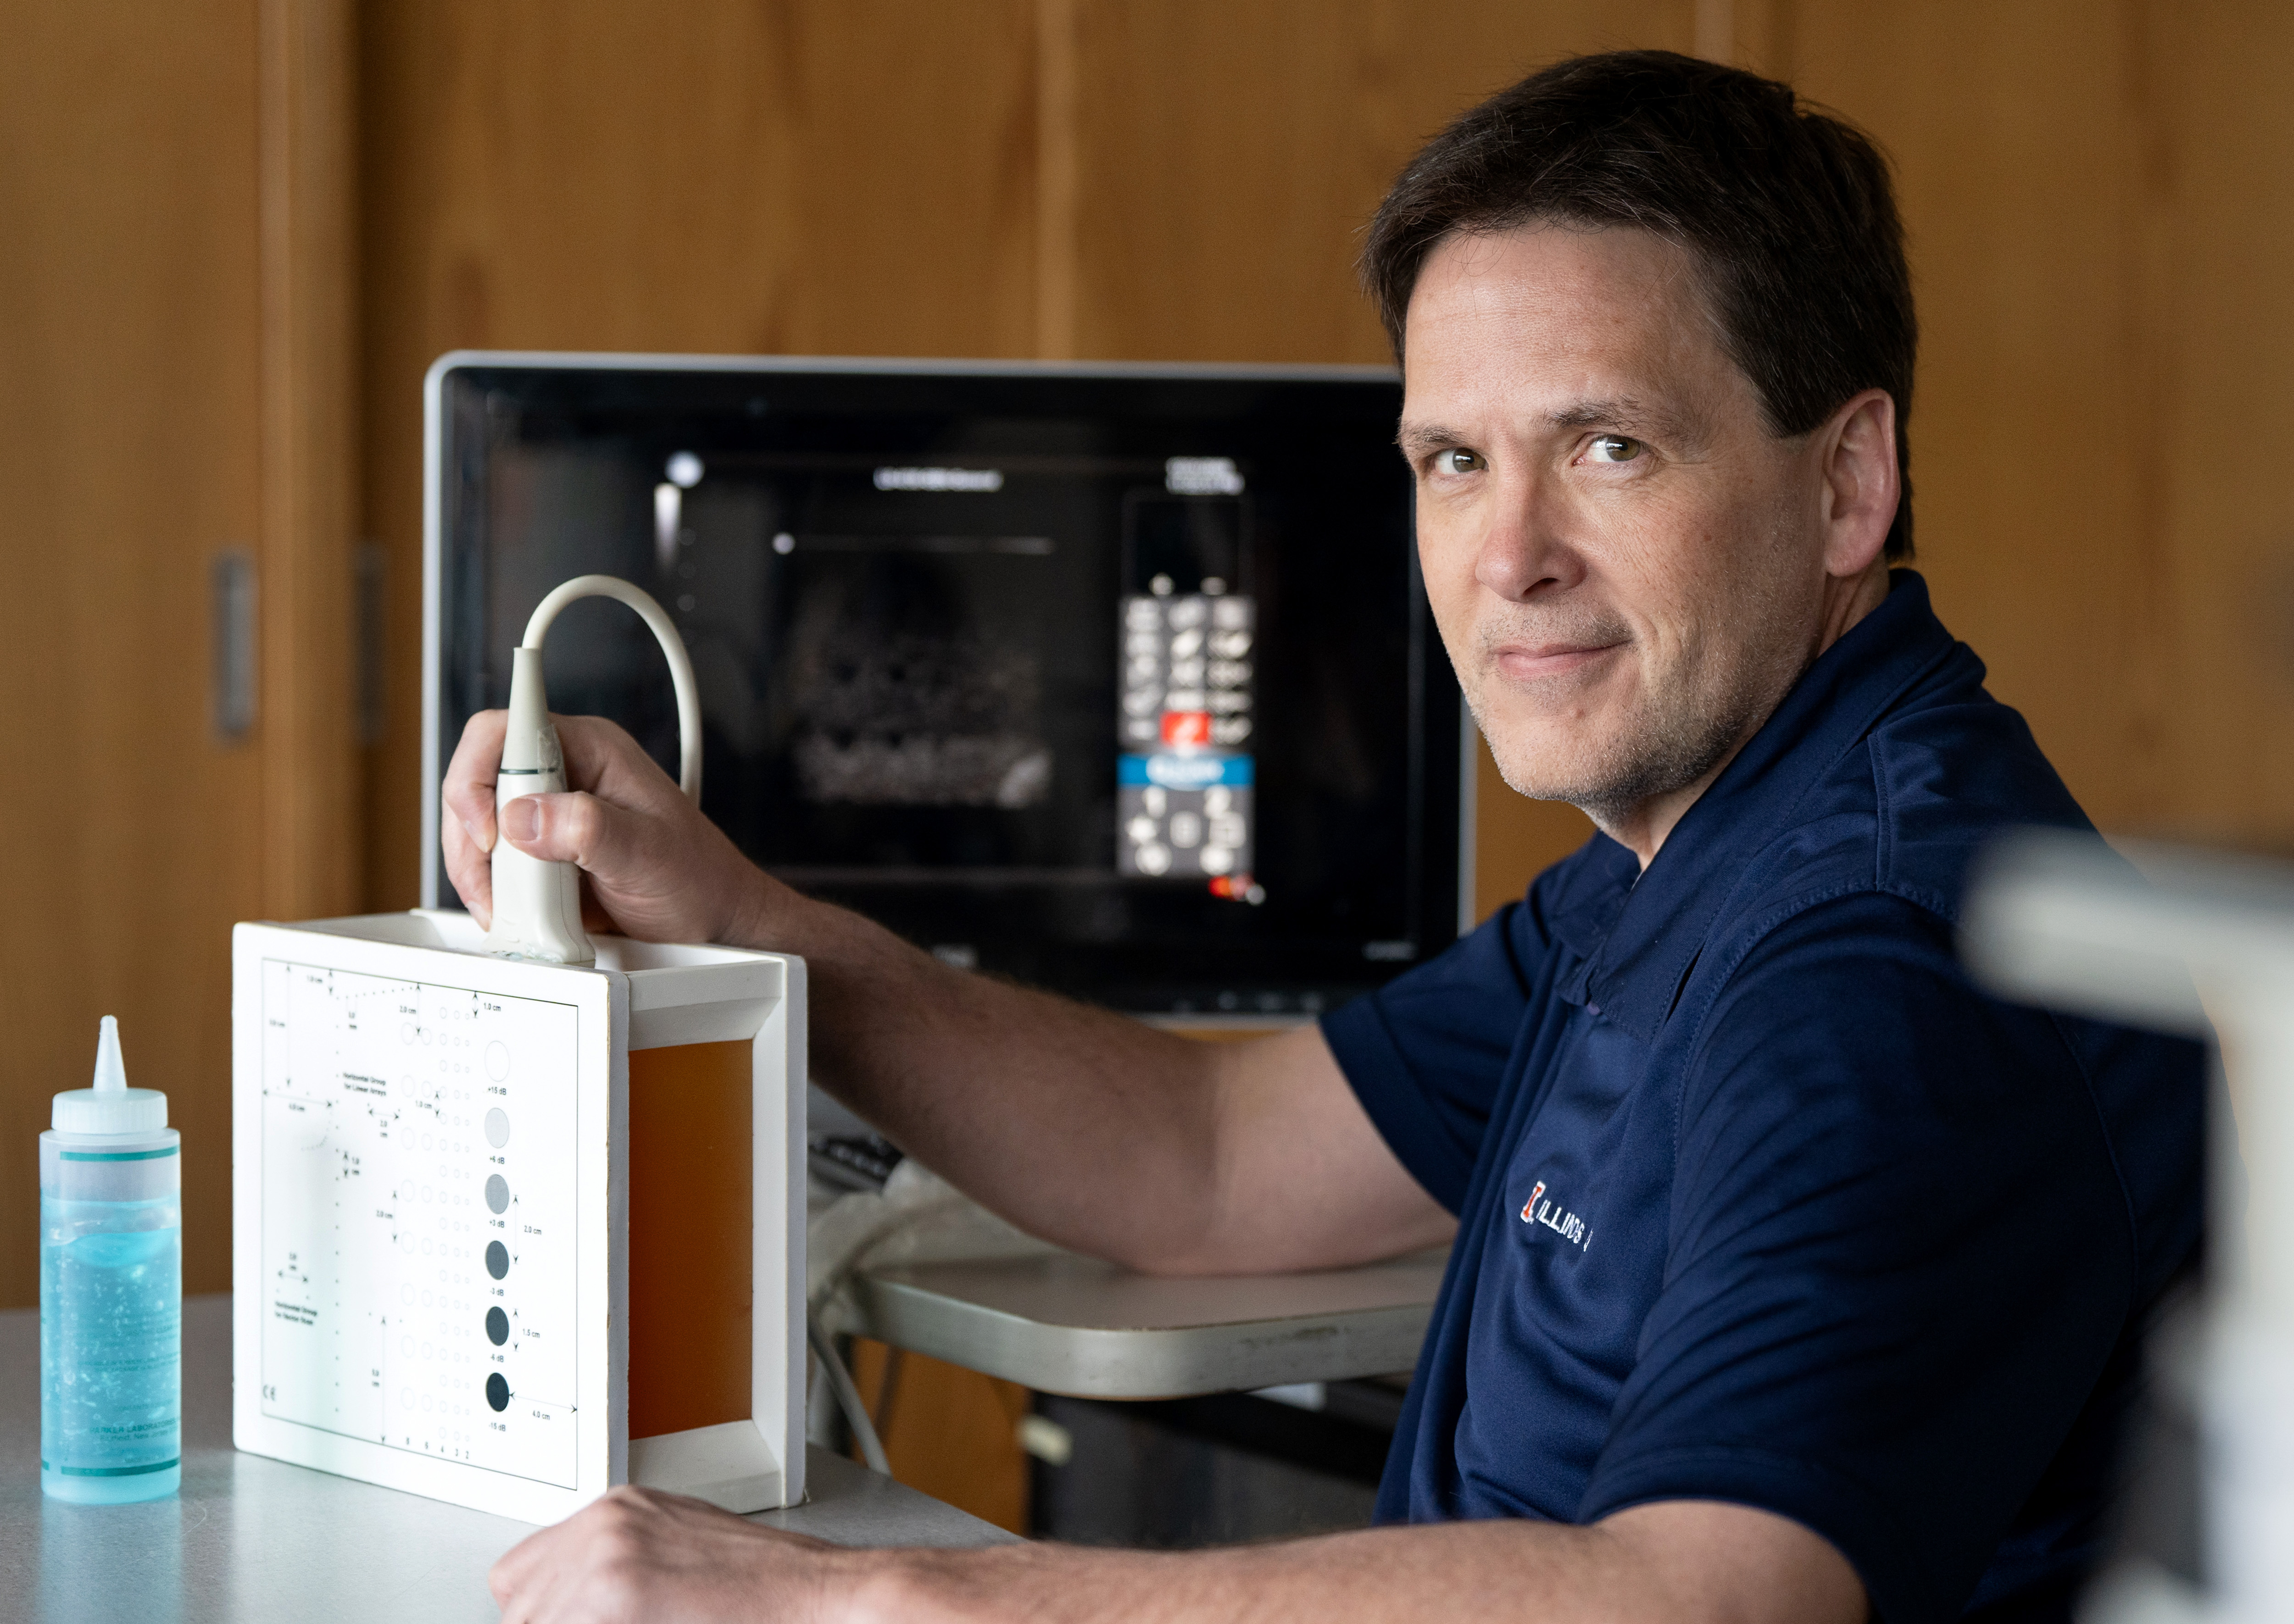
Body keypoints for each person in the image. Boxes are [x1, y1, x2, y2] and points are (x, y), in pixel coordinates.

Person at [458, 50, 2203, 1624]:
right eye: (1452, 460)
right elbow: (1211, 1160)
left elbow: (1710, 1599)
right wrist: (746, 922)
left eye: (1607, 447)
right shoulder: (1688, 866)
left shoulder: (1882, 964)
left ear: (1847, 484)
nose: (1507, 556)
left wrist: (877, 1604)